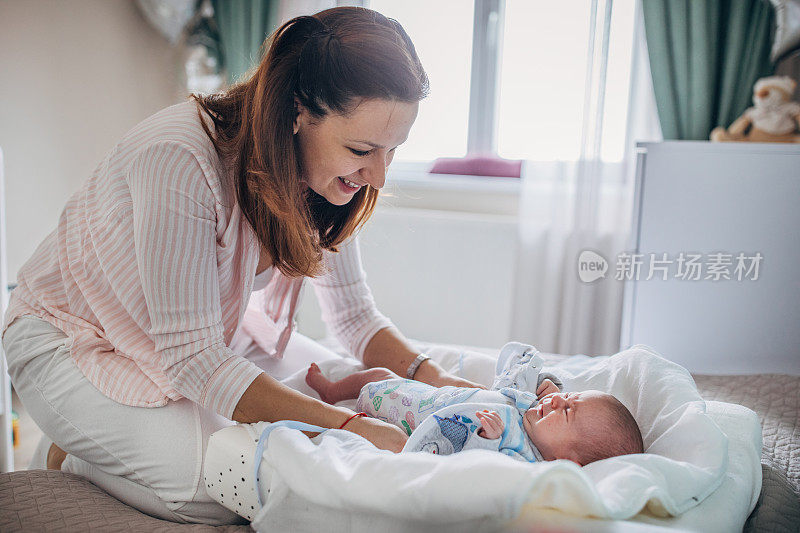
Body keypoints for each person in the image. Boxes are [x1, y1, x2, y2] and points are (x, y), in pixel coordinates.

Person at [1, 7, 482, 525]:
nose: (379, 177)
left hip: (191, 336)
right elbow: (193, 360)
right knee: (218, 488)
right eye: (363, 149)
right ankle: (74, 453)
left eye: (393, 151)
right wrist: (340, 426)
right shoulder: (180, 158)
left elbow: (356, 320)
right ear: (298, 110)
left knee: (355, 386)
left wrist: (437, 380)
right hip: (70, 338)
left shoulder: (322, 178)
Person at [305, 342, 644, 465]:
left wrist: (488, 439)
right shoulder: (529, 405)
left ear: (567, 460)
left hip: (410, 428)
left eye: (566, 412)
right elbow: (518, 365)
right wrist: (547, 384)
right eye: (566, 398)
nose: (556, 402)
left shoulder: (522, 454)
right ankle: (332, 389)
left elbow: (479, 471)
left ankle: (334, 412)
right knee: (377, 374)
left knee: (361, 429)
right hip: (418, 395)